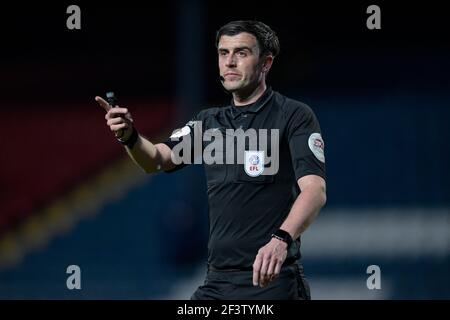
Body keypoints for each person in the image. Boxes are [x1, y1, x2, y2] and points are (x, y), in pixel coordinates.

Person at [95, 20, 326, 300]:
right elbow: (155, 159)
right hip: (217, 283)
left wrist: (281, 239)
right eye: (223, 53)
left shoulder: (293, 116)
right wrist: (129, 136)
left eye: (241, 53)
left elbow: (314, 191)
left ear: (266, 63)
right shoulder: (208, 123)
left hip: (272, 282)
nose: (229, 62)